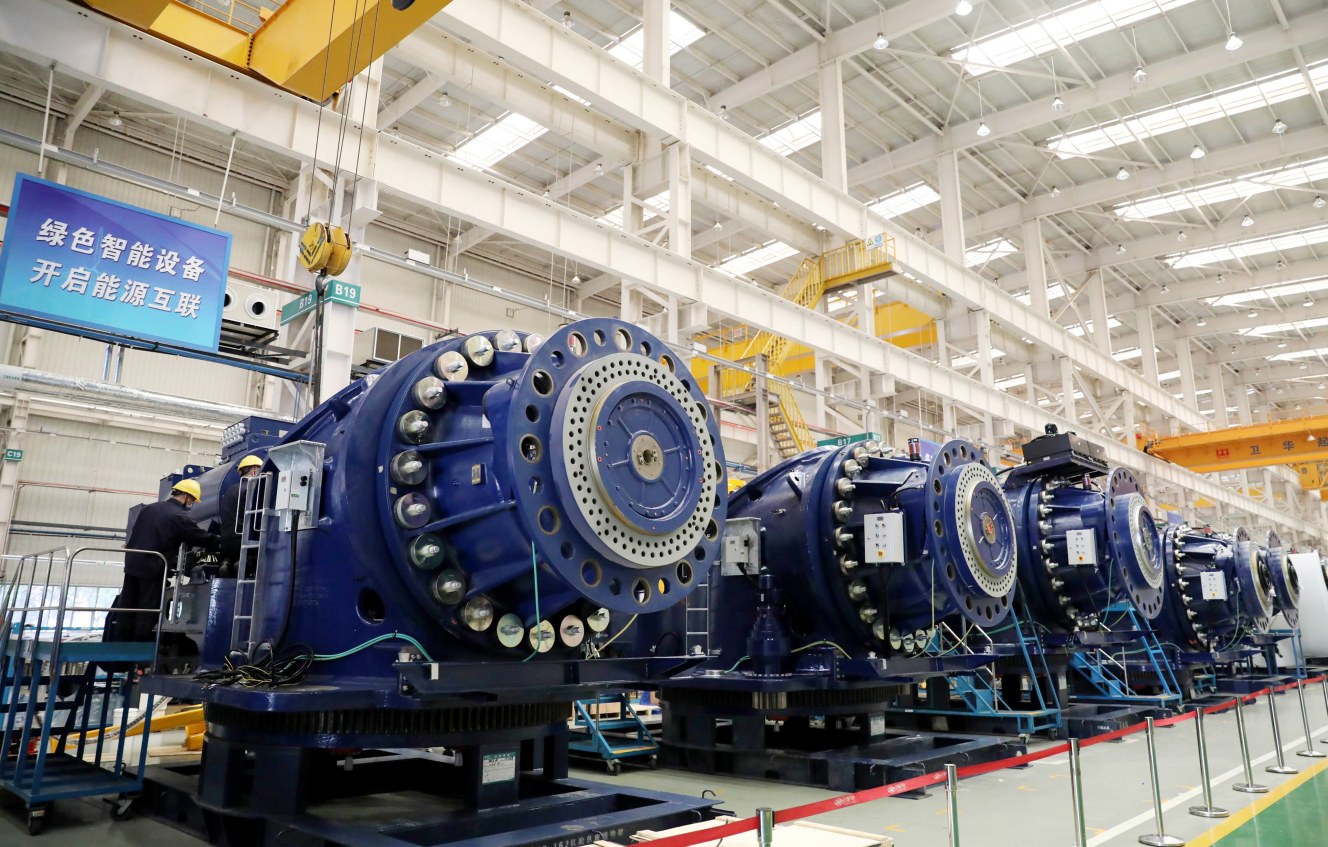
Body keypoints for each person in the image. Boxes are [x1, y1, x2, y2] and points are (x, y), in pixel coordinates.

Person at [109, 478, 217, 642]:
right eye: (192, 500)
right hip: (152, 567)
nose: (192, 504)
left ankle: (120, 644)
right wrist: (218, 540)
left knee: (128, 606)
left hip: (132, 564)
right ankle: (139, 644)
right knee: (148, 608)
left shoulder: (149, 509)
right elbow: (197, 536)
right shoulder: (178, 516)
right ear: (186, 496)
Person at [218, 455, 262, 573]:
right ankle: (245, 563)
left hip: (226, 541)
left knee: (232, 555)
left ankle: (227, 562)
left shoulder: (229, 491)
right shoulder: (255, 490)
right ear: (254, 471)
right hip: (245, 540)